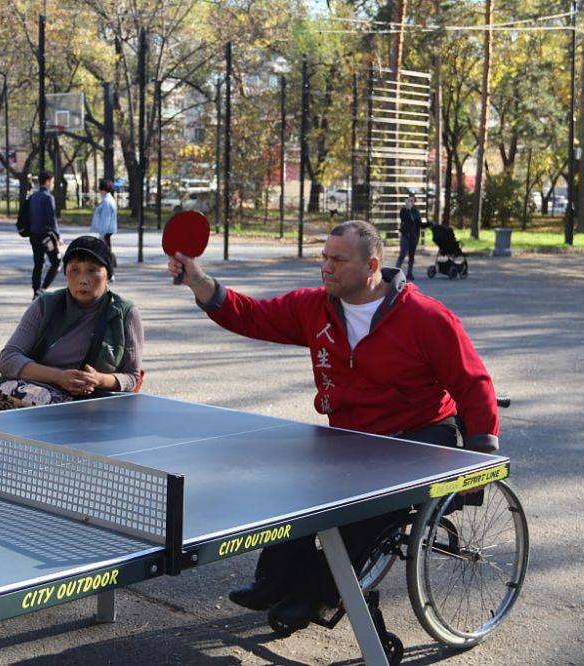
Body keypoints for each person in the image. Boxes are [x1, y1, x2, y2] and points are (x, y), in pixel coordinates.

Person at [167, 219, 499, 629]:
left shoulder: (426, 317)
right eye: (324, 257)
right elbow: (251, 316)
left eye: (338, 260)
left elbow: (473, 381)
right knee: (290, 486)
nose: (326, 267)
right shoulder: (314, 307)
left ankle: (317, 595)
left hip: (416, 436)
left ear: (371, 265)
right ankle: (275, 579)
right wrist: (199, 281)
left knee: (363, 511)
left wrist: (481, 457)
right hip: (350, 435)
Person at [0, 235, 143, 410]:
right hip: (38, 399)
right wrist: (59, 377)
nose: (82, 279)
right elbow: (8, 359)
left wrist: (100, 379)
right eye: (74, 270)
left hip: (95, 405)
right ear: (65, 273)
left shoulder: (125, 313)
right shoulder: (44, 305)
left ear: (108, 275)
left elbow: (132, 377)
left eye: (92, 270)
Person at [28, 171, 62, 300]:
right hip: (46, 237)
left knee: (38, 263)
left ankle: (36, 291)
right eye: (52, 181)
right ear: (47, 181)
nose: (52, 184)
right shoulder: (48, 197)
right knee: (56, 261)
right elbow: (51, 219)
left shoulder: (33, 196)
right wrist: (58, 236)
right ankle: (43, 289)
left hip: (33, 235)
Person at [395, 193, 427, 279]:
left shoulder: (416, 211)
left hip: (414, 236)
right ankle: (395, 272)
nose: (410, 202)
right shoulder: (403, 211)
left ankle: (409, 273)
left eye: (412, 201)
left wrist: (429, 224)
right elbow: (406, 219)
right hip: (406, 235)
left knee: (411, 255)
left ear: (414, 202)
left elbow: (418, 223)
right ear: (406, 201)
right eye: (409, 200)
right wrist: (408, 210)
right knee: (402, 254)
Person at [90, 178, 118, 251]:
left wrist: (103, 232)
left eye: (100, 189)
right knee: (106, 247)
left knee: (105, 248)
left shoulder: (106, 201)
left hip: (106, 229)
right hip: (108, 229)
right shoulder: (108, 199)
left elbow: (106, 217)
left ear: (104, 190)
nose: (99, 191)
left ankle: (108, 260)